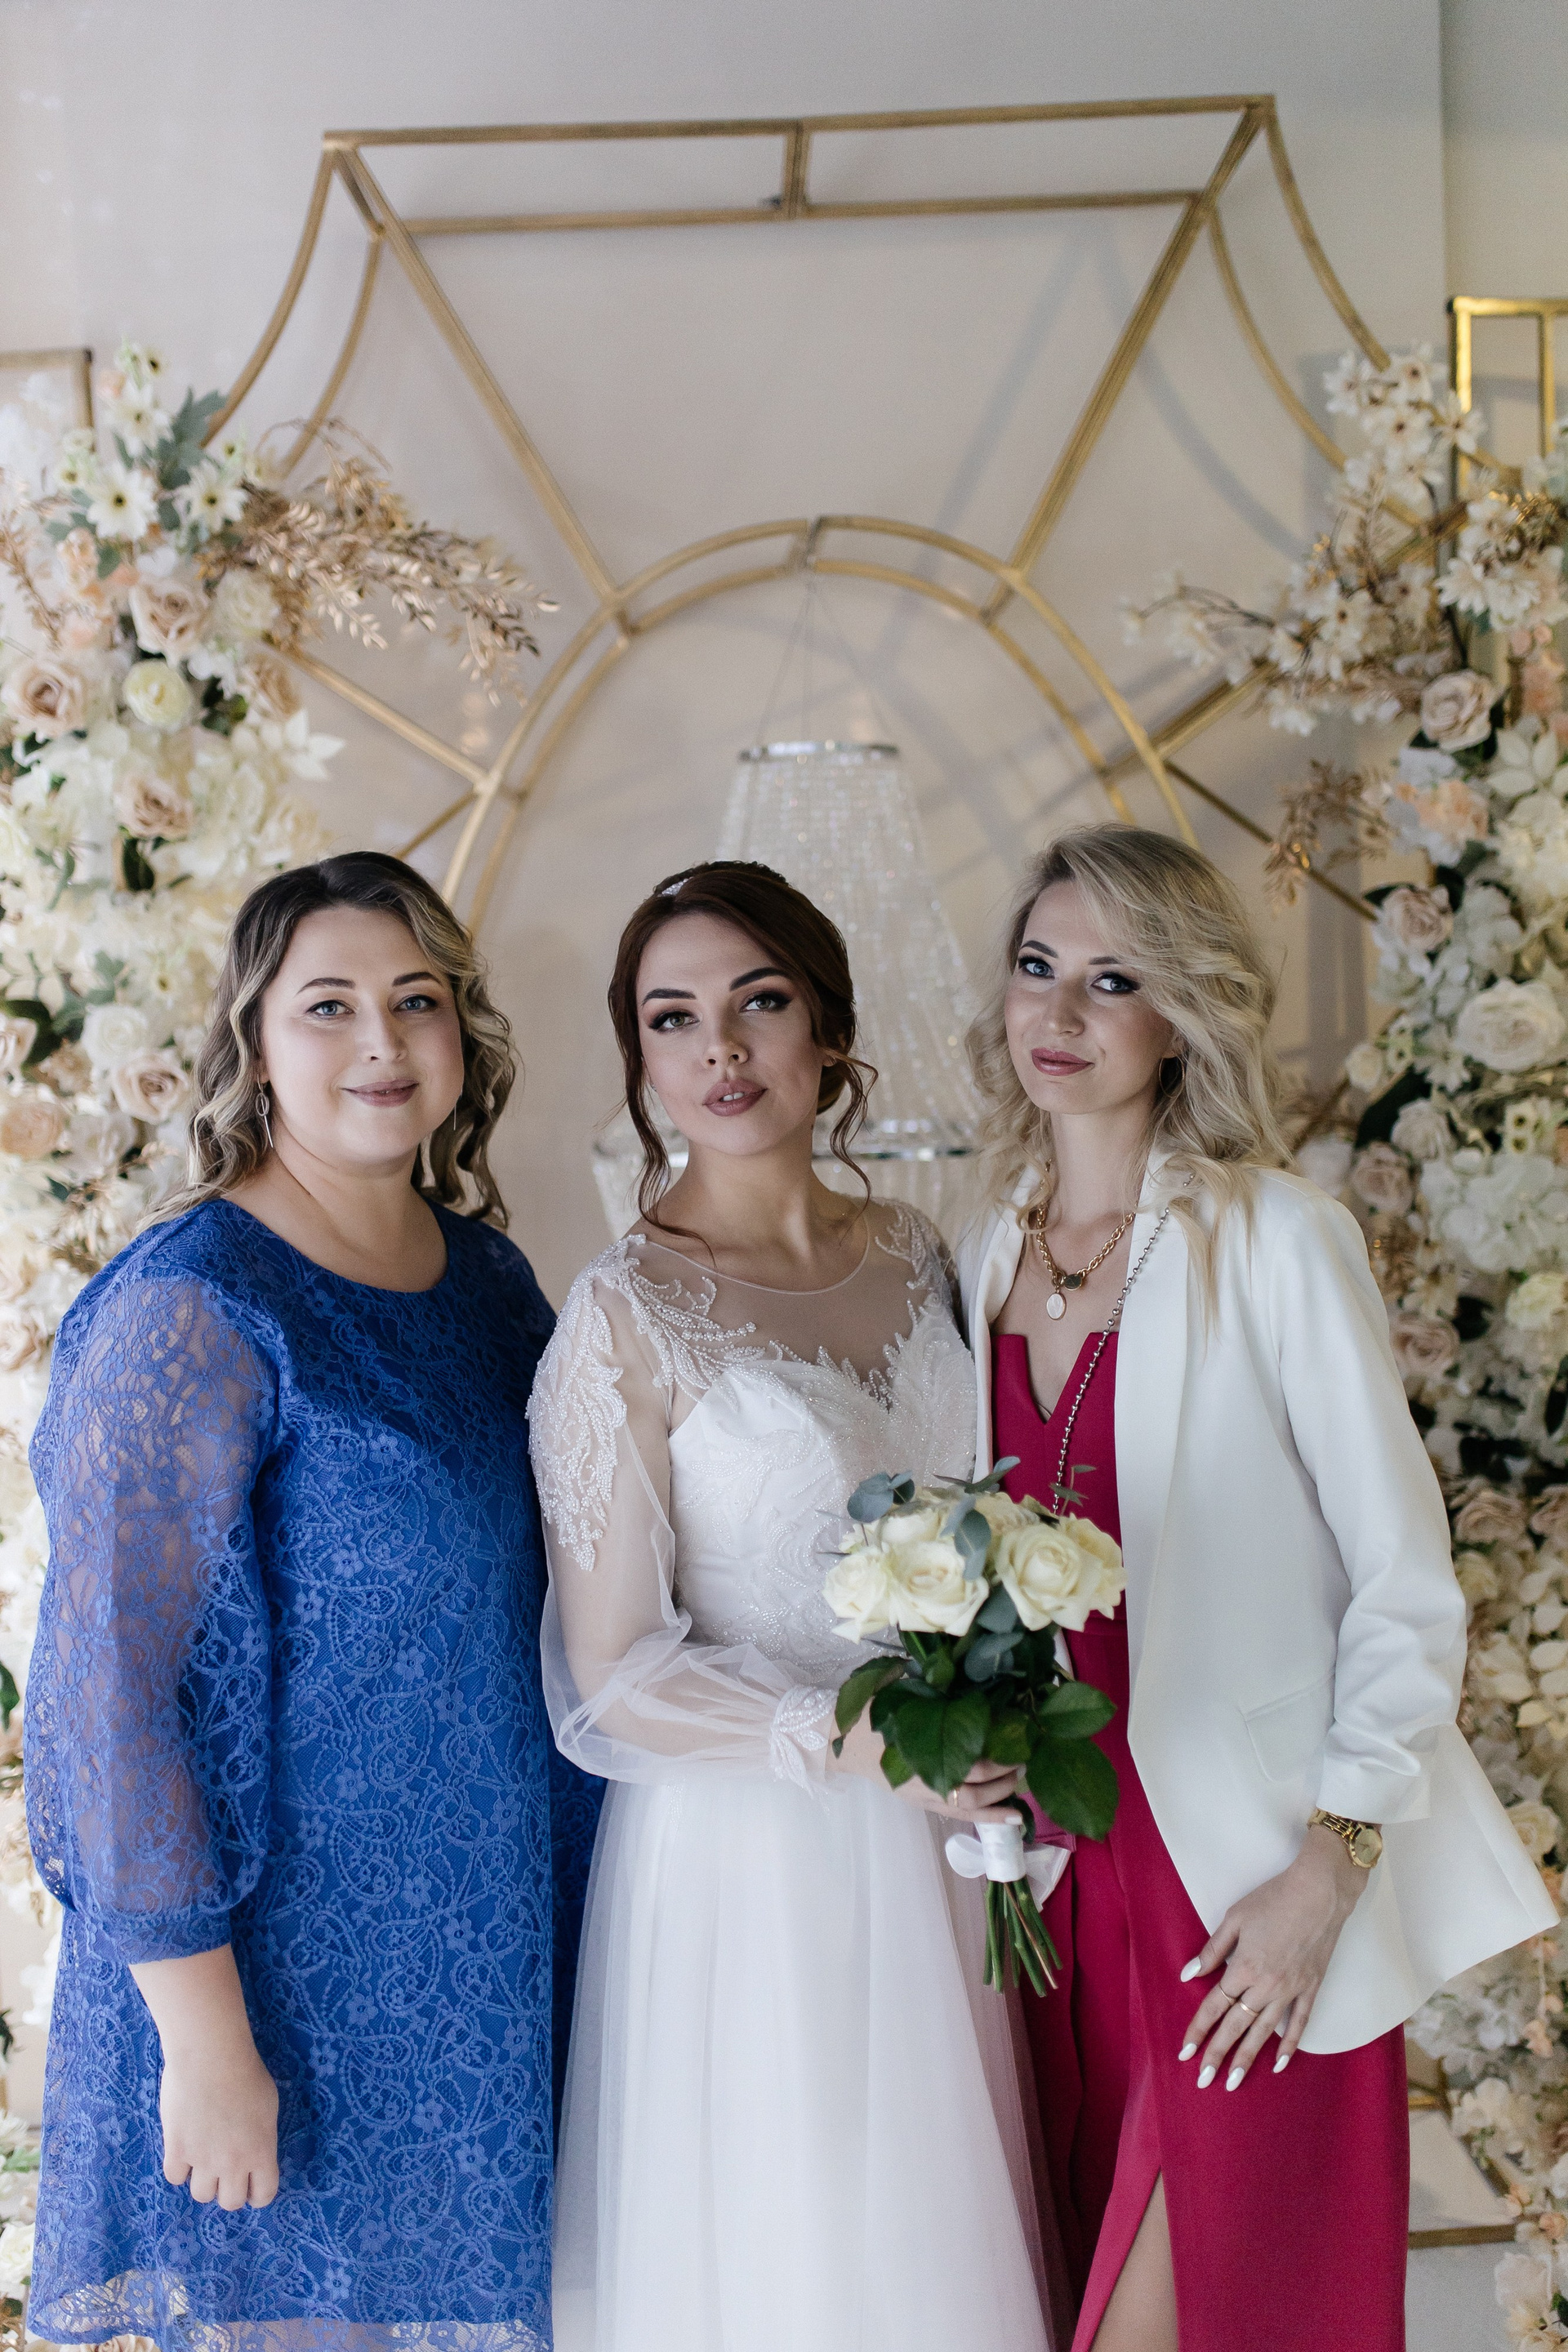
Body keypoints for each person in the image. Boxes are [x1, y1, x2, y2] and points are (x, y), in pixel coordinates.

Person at [956, 823, 1557, 2352]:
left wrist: (1327, 1872)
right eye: (1038, 967)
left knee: (1223, 2307)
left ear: (1183, 1016)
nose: (1060, 1013)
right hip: (1055, 1893)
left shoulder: (1278, 1238)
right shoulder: (980, 1255)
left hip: (1247, 1889)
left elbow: (1408, 1586)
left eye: (1114, 980)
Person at [25, 851, 599, 2352]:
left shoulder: (491, 1284)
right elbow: (111, 1694)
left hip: (471, 1963)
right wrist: (205, 2041)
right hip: (273, 1988)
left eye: (417, 1001)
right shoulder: (194, 1304)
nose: (381, 1043)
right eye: (329, 1005)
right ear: (256, 1041)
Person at [528, 860, 1065, 2352]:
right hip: (750, 1860)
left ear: (827, 1028)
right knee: (799, 2256)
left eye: (758, 1002)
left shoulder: (921, 1253)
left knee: (937, 2251)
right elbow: (613, 1676)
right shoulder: (620, 1315)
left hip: (948, 1835)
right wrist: (860, 1742)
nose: (721, 1049)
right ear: (641, 1058)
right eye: (672, 1017)